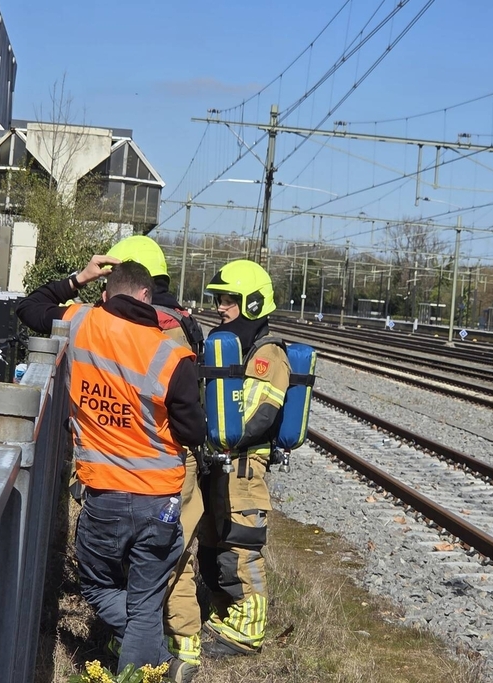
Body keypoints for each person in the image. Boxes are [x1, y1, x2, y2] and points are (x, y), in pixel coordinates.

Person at [16, 256, 206, 674]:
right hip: (160, 499)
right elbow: (194, 432)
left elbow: (28, 307)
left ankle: (150, 664)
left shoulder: (81, 321)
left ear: (107, 292)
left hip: (102, 492)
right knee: (145, 600)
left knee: (98, 586)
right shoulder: (173, 356)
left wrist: (78, 277)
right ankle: (158, 662)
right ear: (145, 296)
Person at [106, 236, 205, 681]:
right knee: (175, 554)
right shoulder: (183, 320)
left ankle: (163, 650)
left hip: (146, 461)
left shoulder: (151, 326)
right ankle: (175, 644)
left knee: (155, 557)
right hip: (170, 459)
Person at [197, 259, 290, 657]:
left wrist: (206, 431)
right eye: (219, 298)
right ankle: (225, 616)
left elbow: (254, 418)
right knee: (213, 548)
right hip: (219, 467)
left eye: (228, 300)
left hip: (244, 471)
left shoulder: (268, 356)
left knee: (240, 548)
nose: (220, 306)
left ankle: (247, 633)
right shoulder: (233, 349)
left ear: (253, 303)